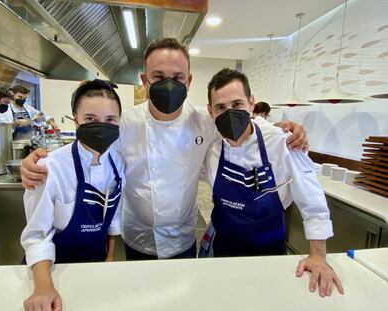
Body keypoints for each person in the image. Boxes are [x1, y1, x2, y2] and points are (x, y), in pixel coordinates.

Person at [20, 38, 308, 261]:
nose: (168, 85)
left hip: (182, 239)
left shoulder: (204, 123)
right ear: (144, 80)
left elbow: (246, 128)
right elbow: (88, 152)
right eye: (158, 77)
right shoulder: (125, 124)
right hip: (136, 239)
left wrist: (288, 129)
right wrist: (37, 164)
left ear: (189, 81)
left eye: (178, 77)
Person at [202, 68, 343, 297]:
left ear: (251, 104)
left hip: (269, 251)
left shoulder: (282, 143)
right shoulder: (211, 147)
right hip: (223, 250)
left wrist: (318, 256)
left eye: (237, 104)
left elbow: (313, 201)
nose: (230, 113)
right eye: (220, 107)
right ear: (210, 111)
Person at [21, 80, 125, 311]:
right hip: (52, 272)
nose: (101, 126)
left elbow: (112, 219)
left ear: (119, 120)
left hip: (96, 268)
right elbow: (37, 236)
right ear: (75, 119)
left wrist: (109, 260)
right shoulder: (50, 167)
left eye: (110, 120)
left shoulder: (117, 162)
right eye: (90, 119)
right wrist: (44, 287)